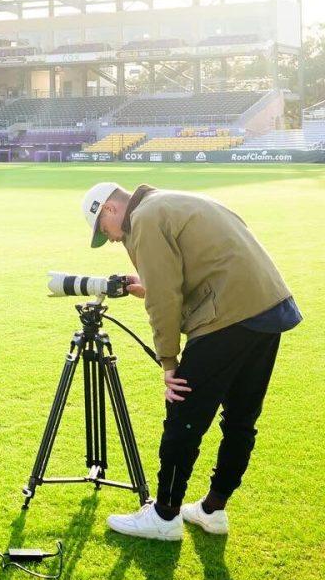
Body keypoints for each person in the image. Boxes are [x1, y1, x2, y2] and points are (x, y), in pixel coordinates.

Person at [82, 180, 302, 541]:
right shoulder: (171, 200)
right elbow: (200, 268)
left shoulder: (145, 220)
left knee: (183, 413)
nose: (111, 239)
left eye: (104, 231)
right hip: (268, 308)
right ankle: (213, 510)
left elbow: (164, 300)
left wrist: (168, 362)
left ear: (109, 209)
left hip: (228, 314)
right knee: (241, 418)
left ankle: (165, 515)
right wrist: (150, 286)